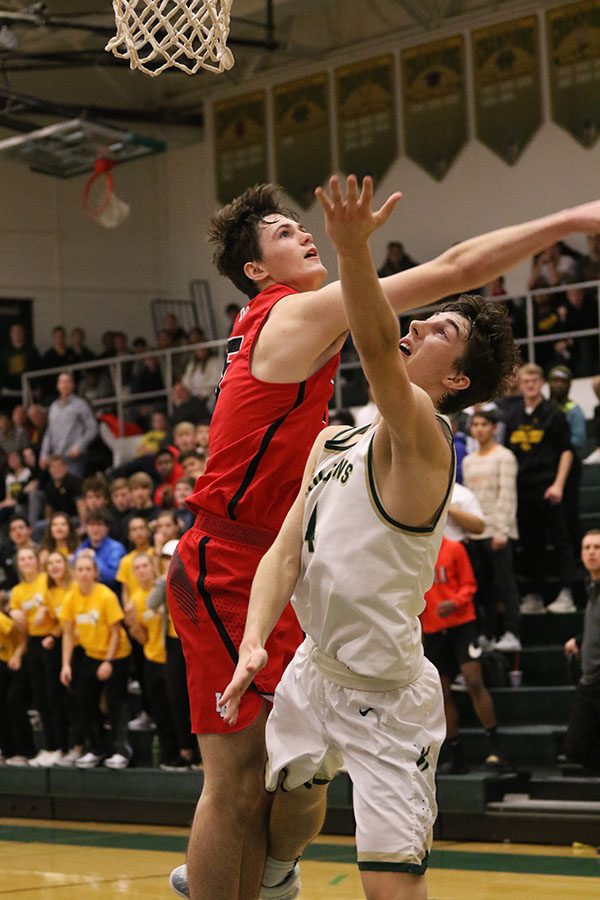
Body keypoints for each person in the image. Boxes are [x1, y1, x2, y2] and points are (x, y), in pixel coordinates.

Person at [167, 179, 600, 900]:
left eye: (304, 228)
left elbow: (410, 308)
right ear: (256, 271)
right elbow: (452, 272)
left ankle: (267, 875)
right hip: (232, 560)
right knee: (240, 786)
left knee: (272, 790)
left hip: (333, 626)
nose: (303, 235)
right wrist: (570, 217)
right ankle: (244, 878)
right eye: (282, 233)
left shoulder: (395, 415)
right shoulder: (298, 314)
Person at [505, 363, 577, 614]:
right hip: (522, 487)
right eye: (526, 381)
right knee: (530, 542)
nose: (530, 385)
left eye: (535, 380)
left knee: (561, 540)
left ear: (541, 383)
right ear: (521, 384)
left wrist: (558, 484)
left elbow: (567, 451)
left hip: (548, 484)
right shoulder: (512, 415)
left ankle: (566, 592)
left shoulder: (553, 413)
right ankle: (534, 595)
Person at [60, 549, 132, 769]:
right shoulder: (71, 596)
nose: (83, 573)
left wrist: (108, 662)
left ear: (95, 573)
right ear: (74, 573)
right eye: (80, 569)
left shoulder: (106, 595)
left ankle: (122, 751)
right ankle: (97, 748)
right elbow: (69, 634)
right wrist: (65, 665)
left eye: (88, 569)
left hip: (117, 654)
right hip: (91, 654)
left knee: (114, 702)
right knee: (84, 699)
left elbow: (116, 632)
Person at [462, 410, 521, 652]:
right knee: (482, 587)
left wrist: (501, 531)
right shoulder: (468, 460)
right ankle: (487, 632)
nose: (479, 429)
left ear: (494, 428)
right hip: (476, 532)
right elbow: (468, 498)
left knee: (505, 585)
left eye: (484, 424)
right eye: (475, 424)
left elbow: (507, 495)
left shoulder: (504, 456)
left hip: (497, 532)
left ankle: (512, 632)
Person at [562, 530, 600, 771]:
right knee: (575, 747)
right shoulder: (592, 587)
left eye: (597, 547)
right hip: (590, 681)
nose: (591, 552)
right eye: (586, 548)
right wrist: (580, 640)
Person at [548, 365, 586, 554]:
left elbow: (578, 441)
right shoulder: (545, 408)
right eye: (555, 381)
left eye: (562, 381)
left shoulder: (574, 409)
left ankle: (579, 553)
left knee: (570, 511)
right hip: (549, 466)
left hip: (570, 466)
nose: (558, 385)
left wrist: (556, 444)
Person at [39, 372, 98, 478]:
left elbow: (92, 428)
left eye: (68, 382)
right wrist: (44, 454)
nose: (65, 385)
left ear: (73, 385)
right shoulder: (53, 407)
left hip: (74, 457)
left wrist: (79, 446)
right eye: (62, 382)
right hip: (57, 459)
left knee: (73, 487)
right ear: (58, 386)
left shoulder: (81, 405)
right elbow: (49, 433)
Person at [74, 509, 126, 594]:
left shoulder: (116, 548)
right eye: (92, 525)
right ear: (86, 528)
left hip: (110, 594)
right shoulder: (82, 547)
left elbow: (113, 578)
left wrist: (95, 559)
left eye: (99, 524)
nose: (95, 529)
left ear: (107, 528)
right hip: (86, 594)